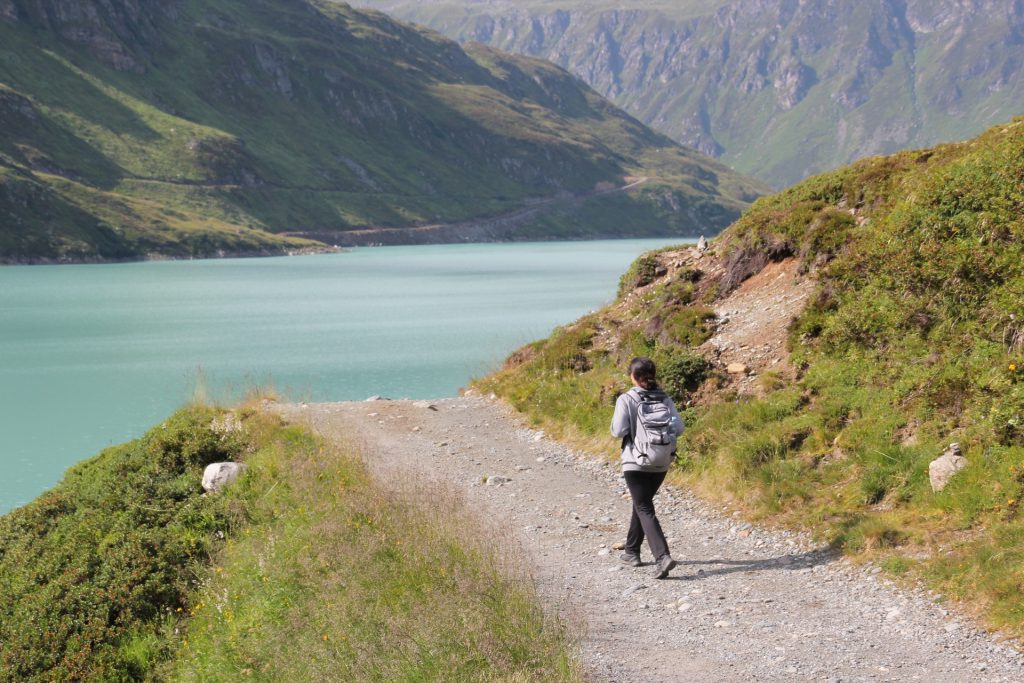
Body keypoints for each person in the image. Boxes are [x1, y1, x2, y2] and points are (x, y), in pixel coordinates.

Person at [610, 357, 684, 579]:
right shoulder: (665, 398)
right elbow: (678, 428)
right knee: (641, 503)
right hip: (661, 461)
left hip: (635, 461)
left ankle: (662, 557)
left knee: (644, 507)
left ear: (633, 376)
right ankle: (632, 551)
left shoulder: (627, 398)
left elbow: (617, 431)